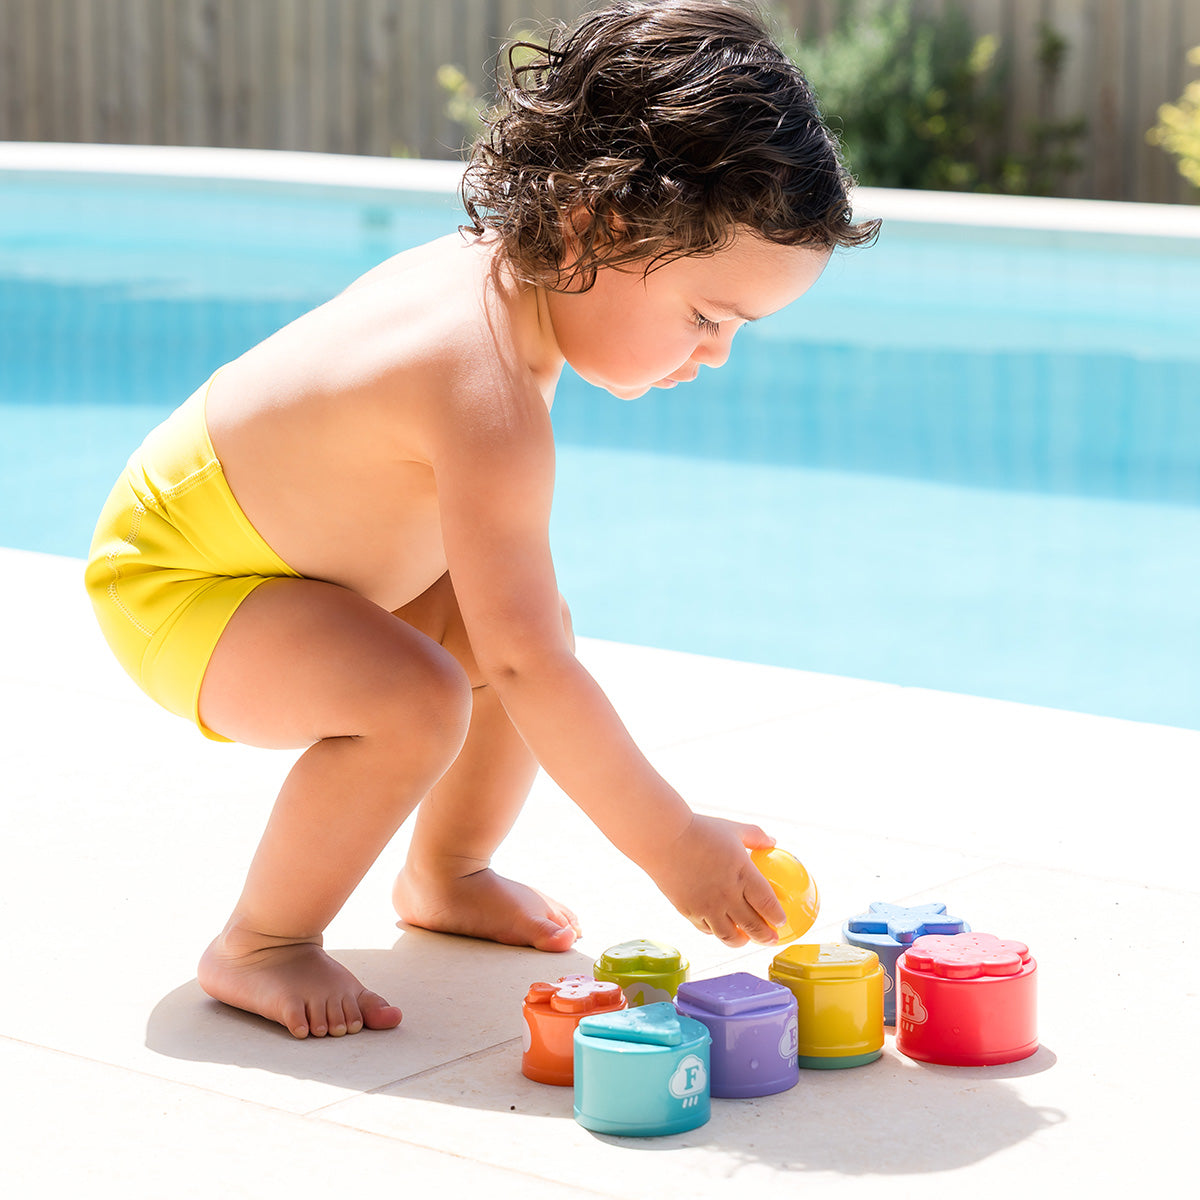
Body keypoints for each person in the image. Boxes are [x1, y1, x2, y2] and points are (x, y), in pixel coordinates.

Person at [84, 0, 879, 1040]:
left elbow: (523, 649)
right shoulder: (482, 382)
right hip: (180, 584)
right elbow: (530, 666)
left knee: (514, 625)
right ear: (599, 225)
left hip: (292, 566)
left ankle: (447, 874)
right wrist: (672, 841)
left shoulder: (511, 285)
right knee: (442, 687)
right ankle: (260, 943)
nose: (717, 352)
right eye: (705, 317)